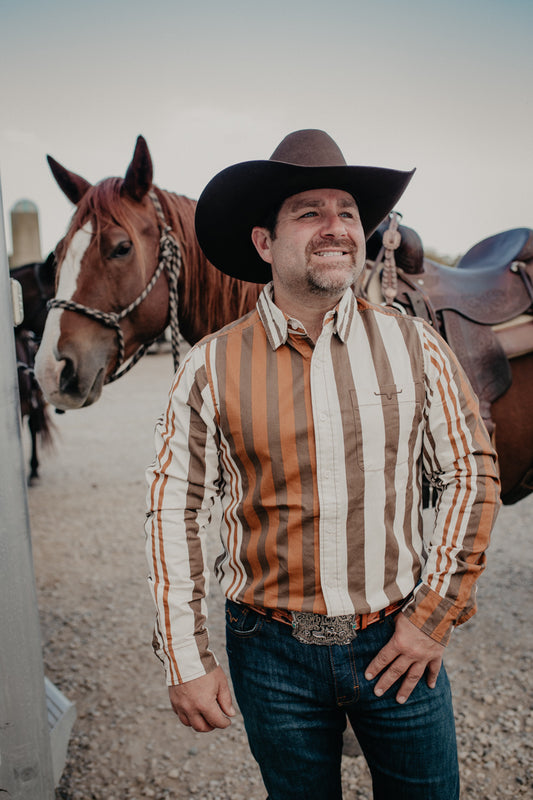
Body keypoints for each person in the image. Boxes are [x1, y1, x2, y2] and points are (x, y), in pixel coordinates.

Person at [145, 129, 500, 800]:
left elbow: (470, 475)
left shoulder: (412, 345)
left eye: (346, 212)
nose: (335, 226)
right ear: (263, 243)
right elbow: (174, 508)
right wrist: (185, 657)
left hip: (396, 640)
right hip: (268, 651)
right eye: (309, 212)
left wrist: (433, 617)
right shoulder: (209, 366)